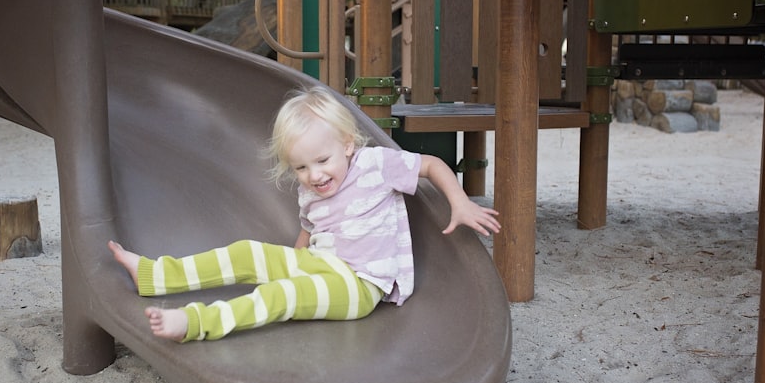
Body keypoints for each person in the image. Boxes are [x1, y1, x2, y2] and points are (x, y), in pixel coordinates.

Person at [108, 86, 500, 342]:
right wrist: (291, 261)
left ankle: (195, 323)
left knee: (283, 295)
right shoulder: (310, 190)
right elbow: (308, 233)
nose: (314, 176)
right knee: (247, 252)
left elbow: (430, 165)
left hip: (361, 286)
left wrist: (461, 202)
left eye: (322, 160)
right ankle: (154, 275)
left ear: (347, 144)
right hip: (321, 263)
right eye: (301, 168)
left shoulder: (375, 165)